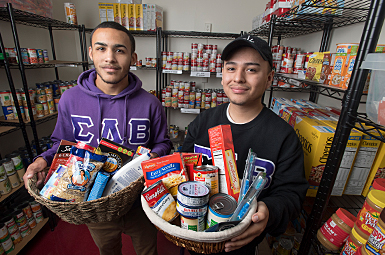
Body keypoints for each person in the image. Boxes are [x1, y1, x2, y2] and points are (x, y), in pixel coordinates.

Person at [23, 21, 172, 255]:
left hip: (140, 202)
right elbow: (61, 145)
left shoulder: (150, 103)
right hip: (95, 202)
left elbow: (164, 143)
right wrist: (42, 160)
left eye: (119, 50)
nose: (110, 58)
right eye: (101, 48)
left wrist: (153, 155)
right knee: (107, 251)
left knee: (148, 251)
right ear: (91, 53)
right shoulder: (71, 100)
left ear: (132, 57)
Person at [182, 34, 308, 254]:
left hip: (242, 242)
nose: (238, 78)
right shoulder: (203, 122)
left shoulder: (284, 136)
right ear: (222, 75)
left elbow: (291, 195)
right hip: (195, 234)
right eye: (231, 68)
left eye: (251, 70)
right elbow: (181, 167)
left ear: (269, 78)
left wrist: (268, 211)